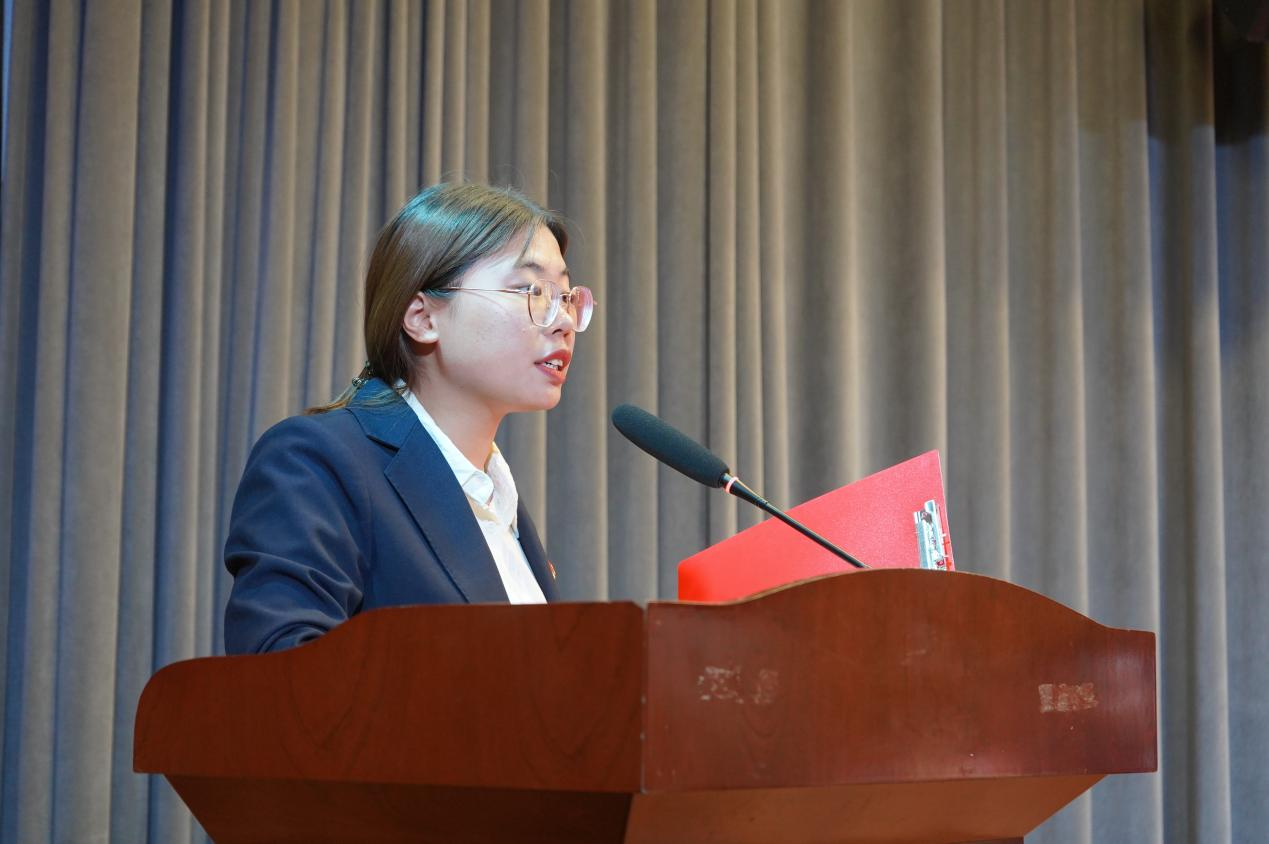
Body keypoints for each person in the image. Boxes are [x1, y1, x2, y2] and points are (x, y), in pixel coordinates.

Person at [222, 182, 593, 655]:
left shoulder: (499, 500)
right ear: (422, 317)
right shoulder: (317, 462)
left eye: (566, 296)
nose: (563, 320)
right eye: (530, 290)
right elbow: (280, 672)